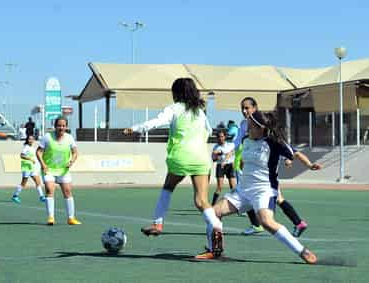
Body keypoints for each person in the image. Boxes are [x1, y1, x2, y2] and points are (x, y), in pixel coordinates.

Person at [124, 78, 223, 259]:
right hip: (201, 158)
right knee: (202, 201)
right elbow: (209, 131)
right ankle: (216, 225)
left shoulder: (174, 108)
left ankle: (158, 224)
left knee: (168, 187)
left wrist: (136, 128)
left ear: (176, 93)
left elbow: (157, 122)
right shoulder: (200, 111)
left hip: (181, 156)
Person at [212, 110, 318, 264]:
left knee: (266, 222)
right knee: (213, 213)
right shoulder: (245, 140)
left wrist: (303, 163)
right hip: (243, 190)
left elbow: (292, 153)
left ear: (261, 128)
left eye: (251, 126)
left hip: (264, 190)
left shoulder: (274, 143)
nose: (248, 129)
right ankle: (215, 250)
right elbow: (244, 160)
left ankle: (302, 251)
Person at [231, 97, 313, 237]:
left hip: (263, 174)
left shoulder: (263, 125)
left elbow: (282, 146)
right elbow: (240, 143)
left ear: (255, 108)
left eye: (247, 108)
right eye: (242, 108)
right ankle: (297, 223)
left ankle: (259, 225)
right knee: (275, 198)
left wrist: (300, 162)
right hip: (249, 166)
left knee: (257, 197)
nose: (244, 111)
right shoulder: (244, 124)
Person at [36, 116, 81, 225]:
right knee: (49, 190)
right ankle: (51, 217)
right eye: (59, 125)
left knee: (68, 192)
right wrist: (43, 165)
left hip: (63, 171)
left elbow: (75, 152)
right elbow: (38, 152)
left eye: (63, 125)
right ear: (55, 126)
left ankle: (71, 218)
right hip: (49, 170)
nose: (61, 127)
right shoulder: (47, 137)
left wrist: (72, 161)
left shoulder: (69, 138)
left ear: (66, 127)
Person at [12, 135, 46, 204]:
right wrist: (30, 159)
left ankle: (42, 197)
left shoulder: (32, 148)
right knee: (23, 183)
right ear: (27, 140)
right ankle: (15, 196)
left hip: (32, 168)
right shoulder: (26, 147)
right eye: (30, 139)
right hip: (26, 168)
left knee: (38, 182)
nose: (31, 140)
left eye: (32, 139)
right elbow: (21, 155)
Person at [211, 129, 236, 205]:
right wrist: (216, 156)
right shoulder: (216, 147)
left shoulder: (231, 145)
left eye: (222, 136)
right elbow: (214, 158)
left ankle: (237, 205)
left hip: (230, 166)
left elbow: (231, 153)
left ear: (225, 137)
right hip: (220, 167)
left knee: (233, 187)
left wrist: (224, 157)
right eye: (218, 137)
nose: (220, 138)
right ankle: (212, 206)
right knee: (219, 187)